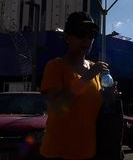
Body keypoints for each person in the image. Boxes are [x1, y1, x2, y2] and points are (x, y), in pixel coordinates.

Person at [39, 11, 110, 160]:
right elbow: (58, 108)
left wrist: (111, 96)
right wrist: (86, 78)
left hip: (88, 152)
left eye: (91, 34)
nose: (86, 39)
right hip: (59, 153)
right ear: (67, 37)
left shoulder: (95, 69)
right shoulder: (56, 66)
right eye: (80, 33)